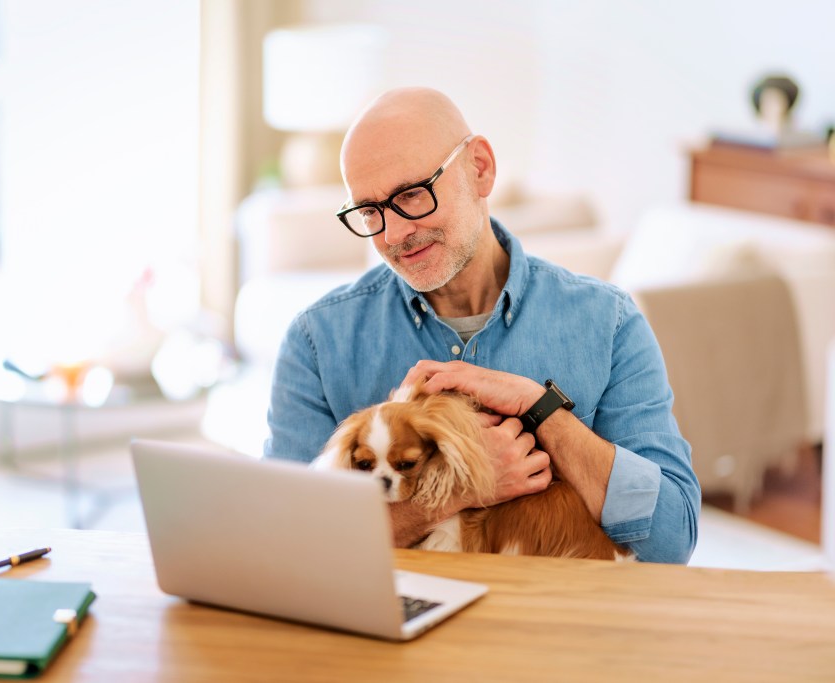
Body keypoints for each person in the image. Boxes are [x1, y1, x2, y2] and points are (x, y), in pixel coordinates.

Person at [263, 87, 699, 564]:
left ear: (480, 168)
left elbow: (671, 540)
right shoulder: (319, 340)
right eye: (369, 211)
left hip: (557, 622)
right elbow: (285, 544)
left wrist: (544, 412)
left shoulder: (607, 323)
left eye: (411, 195)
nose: (393, 234)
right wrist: (459, 492)